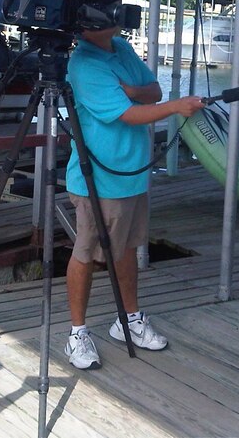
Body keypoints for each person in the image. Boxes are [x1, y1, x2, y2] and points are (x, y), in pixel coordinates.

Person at [64, 24, 205, 369]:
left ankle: (128, 319)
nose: (117, 16)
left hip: (133, 176)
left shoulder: (121, 47)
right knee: (85, 253)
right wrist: (174, 107)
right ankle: (77, 333)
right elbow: (128, 114)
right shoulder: (84, 64)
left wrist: (130, 90)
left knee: (127, 249)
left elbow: (153, 91)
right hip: (97, 178)